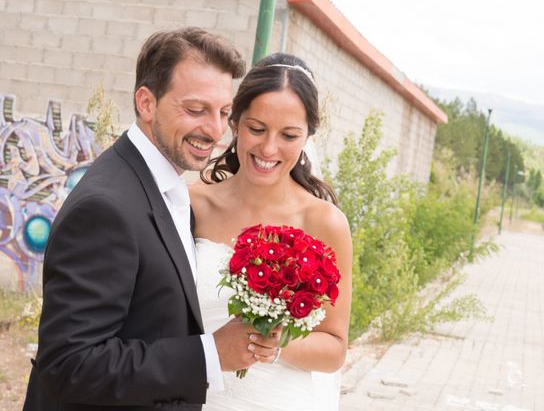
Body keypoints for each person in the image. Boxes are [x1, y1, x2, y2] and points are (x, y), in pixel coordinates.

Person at [23, 28, 281, 411]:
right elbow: (69, 366)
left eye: (223, 113)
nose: (214, 129)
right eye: (196, 110)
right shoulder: (106, 208)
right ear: (146, 103)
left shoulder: (166, 188)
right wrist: (210, 354)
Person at [190, 52, 353, 411]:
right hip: (199, 396)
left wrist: (278, 343)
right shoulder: (191, 206)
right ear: (235, 123)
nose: (268, 149)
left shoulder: (324, 223)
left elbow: (334, 348)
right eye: (257, 128)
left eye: (289, 135)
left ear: (308, 135)